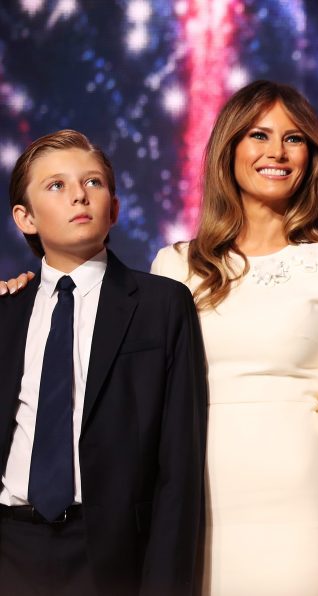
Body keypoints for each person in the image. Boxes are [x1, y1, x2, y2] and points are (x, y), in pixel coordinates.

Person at [149, 81, 318, 595]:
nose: (277, 152)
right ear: (229, 148)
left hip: (299, 508)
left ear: (312, 156)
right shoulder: (174, 266)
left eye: (295, 138)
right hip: (194, 505)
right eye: (259, 135)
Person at [0, 129, 206, 595]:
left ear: (113, 208)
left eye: (93, 183)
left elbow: (179, 464)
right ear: (25, 218)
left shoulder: (161, 304)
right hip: (11, 542)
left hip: (110, 550)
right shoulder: (7, 311)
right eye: (56, 185)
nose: (79, 195)